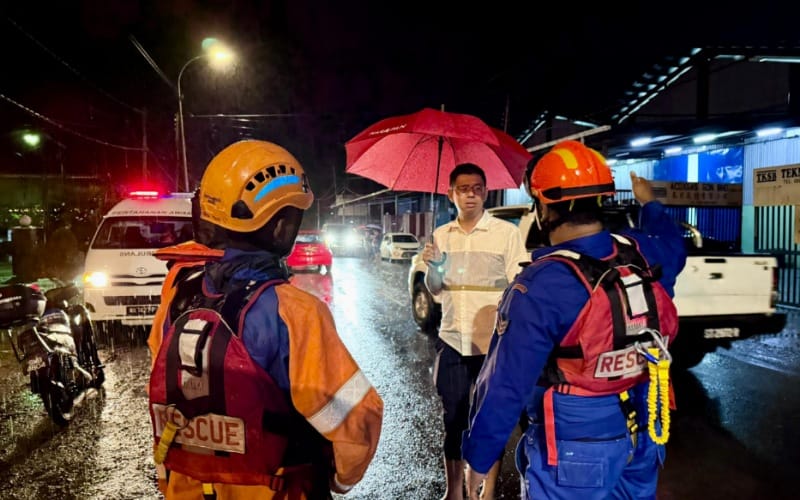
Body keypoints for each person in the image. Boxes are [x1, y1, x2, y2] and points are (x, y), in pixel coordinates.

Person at [148, 140, 384, 499]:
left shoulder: (177, 292)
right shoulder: (296, 311)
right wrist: (340, 481)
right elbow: (356, 420)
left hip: (189, 488)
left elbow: (161, 390)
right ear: (280, 225)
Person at [462, 140, 688, 499]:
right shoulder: (641, 250)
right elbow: (673, 243)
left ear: (544, 209)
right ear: (602, 199)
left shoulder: (540, 285)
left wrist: (478, 459)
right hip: (645, 429)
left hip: (576, 448)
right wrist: (650, 203)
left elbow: (505, 386)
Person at [421, 162, 530, 500]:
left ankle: (488, 489)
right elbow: (436, 289)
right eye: (463, 189)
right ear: (450, 194)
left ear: (485, 192)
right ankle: (454, 489)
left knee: (488, 419)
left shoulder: (505, 233)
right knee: (453, 418)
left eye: (477, 188)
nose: (471, 194)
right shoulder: (441, 235)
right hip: (452, 339)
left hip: (491, 343)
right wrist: (434, 266)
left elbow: (518, 282)